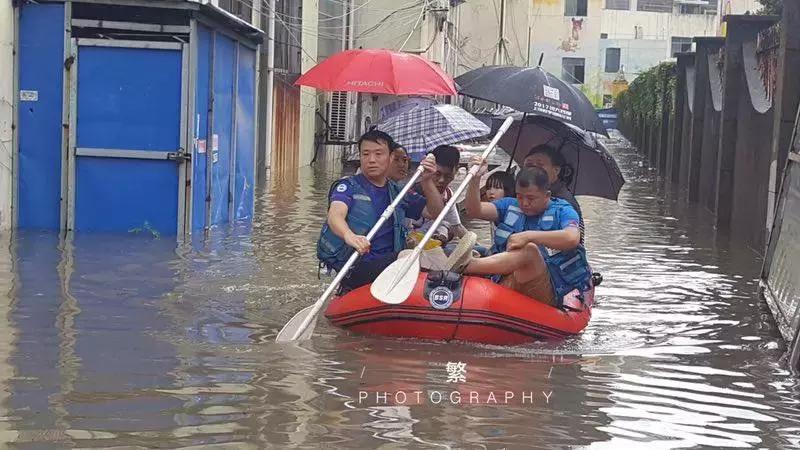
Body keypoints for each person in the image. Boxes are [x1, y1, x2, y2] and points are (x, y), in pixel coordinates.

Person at [447, 158, 591, 307]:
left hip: (546, 286)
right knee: (452, 249)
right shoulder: (509, 204)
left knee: (529, 250)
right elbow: (474, 210)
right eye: (520, 196)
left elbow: (572, 238)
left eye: (531, 198)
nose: (524, 203)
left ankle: (468, 265)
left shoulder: (563, 210)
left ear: (547, 195)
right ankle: (462, 264)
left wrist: (528, 236)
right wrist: (475, 179)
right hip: (505, 279)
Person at [317, 130, 443, 292]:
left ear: (390, 158)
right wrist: (350, 235)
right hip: (356, 264)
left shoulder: (397, 192)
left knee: (430, 252)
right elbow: (335, 215)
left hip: (388, 263)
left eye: (378, 154)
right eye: (365, 154)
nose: (371, 160)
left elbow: (434, 212)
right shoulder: (347, 187)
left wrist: (427, 181)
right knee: (407, 256)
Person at [405, 145, 467, 247]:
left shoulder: (448, 194)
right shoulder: (412, 194)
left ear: (456, 171)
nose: (442, 180)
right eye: (437, 174)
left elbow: (456, 226)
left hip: (436, 244)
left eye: (448, 176)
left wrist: (471, 243)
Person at [522, 145, 581, 218]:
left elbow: (576, 228)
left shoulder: (566, 203)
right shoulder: (520, 191)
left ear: (556, 170)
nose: (533, 170)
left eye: (540, 166)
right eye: (529, 165)